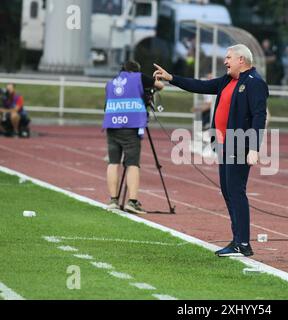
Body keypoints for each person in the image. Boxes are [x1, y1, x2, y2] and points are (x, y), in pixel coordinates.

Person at [154, 44, 268, 257]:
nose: (225, 61)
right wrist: (172, 78)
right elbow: (201, 86)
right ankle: (238, 240)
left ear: (241, 60)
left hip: (240, 142)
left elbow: (259, 116)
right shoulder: (227, 80)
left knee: (235, 191)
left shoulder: (255, 83)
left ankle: (242, 243)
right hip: (224, 144)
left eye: (228, 58)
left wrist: (253, 147)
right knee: (227, 190)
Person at [103, 61, 164, 214]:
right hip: (131, 125)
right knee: (132, 164)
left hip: (112, 124)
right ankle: (132, 201)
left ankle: (113, 200)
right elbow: (160, 86)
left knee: (113, 162)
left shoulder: (111, 83)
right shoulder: (138, 77)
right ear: (136, 70)